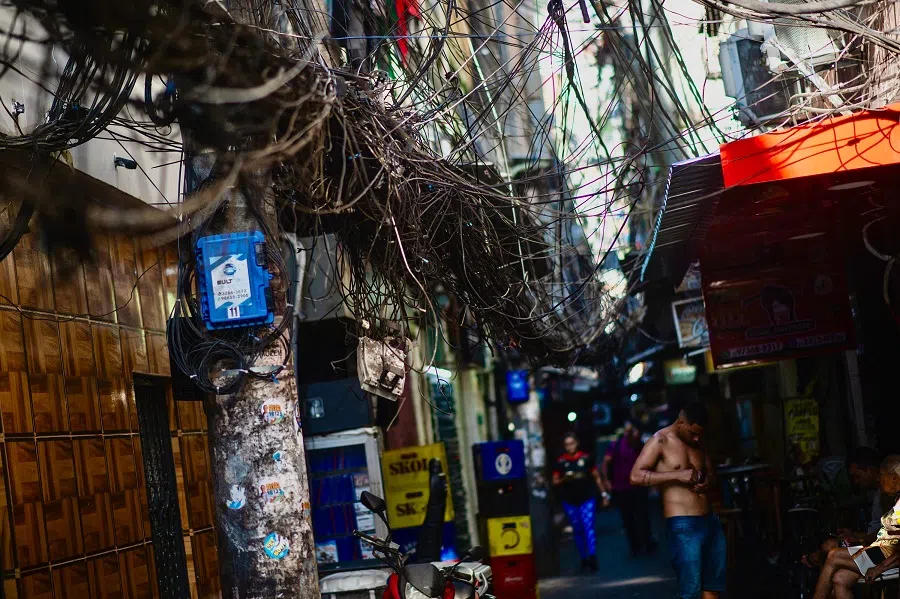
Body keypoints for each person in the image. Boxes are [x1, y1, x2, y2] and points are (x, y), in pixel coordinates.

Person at [630, 401, 725, 599]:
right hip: (683, 524)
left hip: (710, 520)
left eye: (700, 434)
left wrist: (708, 481)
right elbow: (635, 476)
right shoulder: (660, 441)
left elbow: (712, 474)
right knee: (690, 591)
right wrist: (676, 475)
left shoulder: (698, 441)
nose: (697, 438)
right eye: (693, 433)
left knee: (713, 586)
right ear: (681, 422)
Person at [812, 455, 900, 599]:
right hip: (884, 551)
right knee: (840, 578)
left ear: (894, 478)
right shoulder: (893, 499)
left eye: (882, 476)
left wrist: (881, 567)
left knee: (833, 555)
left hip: (888, 556)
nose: (879, 480)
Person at [804, 447, 886, 568]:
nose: (856, 482)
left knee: (829, 548)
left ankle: (815, 560)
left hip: (881, 548)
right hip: (872, 542)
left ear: (870, 470)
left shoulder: (888, 494)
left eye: (858, 476)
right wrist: (854, 534)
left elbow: (886, 535)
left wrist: (859, 537)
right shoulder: (876, 494)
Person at [552, 433, 611, 572]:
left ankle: (592, 556)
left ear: (576, 443)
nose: (570, 447)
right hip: (570, 501)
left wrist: (604, 494)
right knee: (577, 529)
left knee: (588, 526)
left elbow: (597, 478)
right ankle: (583, 558)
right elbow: (554, 481)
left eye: (572, 443)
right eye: (567, 444)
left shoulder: (586, 459)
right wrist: (564, 479)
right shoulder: (561, 462)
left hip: (587, 499)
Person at [603, 421, 657, 556]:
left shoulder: (642, 445)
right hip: (622, 488)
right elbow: (605, 463)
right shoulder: (616, 445)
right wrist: (607, 481)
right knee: (628, 518)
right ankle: (635, 546)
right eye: (627, 431)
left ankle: (648, 541)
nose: (630, 434)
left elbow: (652, 463)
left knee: (643, 515)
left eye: (633, 431)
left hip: (640, 486)